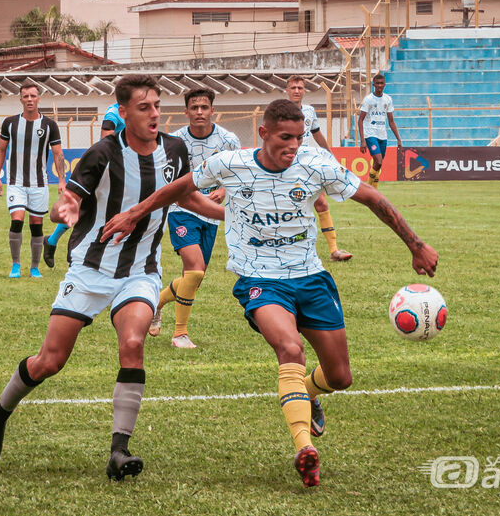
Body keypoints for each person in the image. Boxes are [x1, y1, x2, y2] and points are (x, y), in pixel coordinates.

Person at [101, 99, 438, 488]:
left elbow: (374, 199)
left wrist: (416, 245)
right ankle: (304, 449)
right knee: (290, 349)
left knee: (341, 376)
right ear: (263, 133)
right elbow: (177, 189)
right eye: (284, 137)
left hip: (311, 279)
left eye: (297, 137)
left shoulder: (316, 164)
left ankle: (308, 392)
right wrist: (133, 214)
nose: (293, 145)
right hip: (260, 281)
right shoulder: (232, 162)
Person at [0, 74, 222, 480]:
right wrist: (63, 210)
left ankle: (119, 451)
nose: (154, 114)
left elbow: (184, 196)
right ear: (123, 113)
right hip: (90, 269)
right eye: (144, 108)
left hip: (140, 272)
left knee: (133, 341)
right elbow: (69, 200)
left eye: (157, 106)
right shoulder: (103, 153)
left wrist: (229, 214)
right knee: (50, 361)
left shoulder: (175, 151)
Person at [148, 88, 240, 349]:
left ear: (213, 110)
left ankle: (157, 302)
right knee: (195, 268)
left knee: (194, 278)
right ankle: (180, 334)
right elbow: (167, 179)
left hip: (210, 216)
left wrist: (223, 190)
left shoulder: (228, 140)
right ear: (185, 111)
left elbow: (238, 175)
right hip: (183, 210)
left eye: (204, 107)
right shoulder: (174, 141)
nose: (200, 111)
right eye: (194, 107)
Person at [0, 83, 66, 279]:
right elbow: (1, 150)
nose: (29, 99)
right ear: (20, 99)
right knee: (17, 220)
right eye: (25, 96)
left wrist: (61, 179)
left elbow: (58, 154)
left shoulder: (49, 125)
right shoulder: (10, 123)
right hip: (15, 182)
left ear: (38, 98)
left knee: (36, 225)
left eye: (33, 96)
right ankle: (15, 265)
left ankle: (34, 267)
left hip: (39, 184)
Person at [42, 102, 126, 268]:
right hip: (107, 167)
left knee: (87, 210)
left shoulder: (137, 111)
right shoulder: (114, 112)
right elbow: (106, 137)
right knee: (86, 210)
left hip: (121, 169)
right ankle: (73, 252)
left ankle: (52, 241)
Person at [285, 75, 352, 262]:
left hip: (307, 165)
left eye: (300, 87)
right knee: (289, 207)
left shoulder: (309, 111)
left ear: (304, 90)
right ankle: (288, 250)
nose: (297, 90)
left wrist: (330, 156)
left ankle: (334, 250)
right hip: (287, 165)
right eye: (293, 87)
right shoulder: (280, 111)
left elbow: (316, 134)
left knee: (321, 203)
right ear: (287, 90)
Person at [358, 73, 403, 189]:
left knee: (378, 163)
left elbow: (391, 121)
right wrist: (362, 141)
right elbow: (360, 120)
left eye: (381, 83)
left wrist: (398, 139)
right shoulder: (368, 100)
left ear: (385, 85)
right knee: (378, 161)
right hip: (370, 134)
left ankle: (374, 189)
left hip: (383, 136)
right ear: (373, 84)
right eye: (377, 83)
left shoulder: (388, 99)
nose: (379, 85)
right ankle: (369, 186)